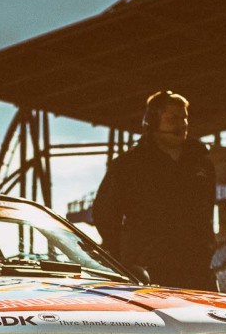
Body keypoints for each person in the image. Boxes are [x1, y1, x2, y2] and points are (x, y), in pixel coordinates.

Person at [93, 90, 218, 291]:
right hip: (150, 270)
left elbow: (209, 209)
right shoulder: (129, 165)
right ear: (152, 121)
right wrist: (125, 260)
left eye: (184, 117)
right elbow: (104, 214)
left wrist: (207, 248)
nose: (182, 124)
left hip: (198, 269)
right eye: (173, 118)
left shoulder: (202, 163)